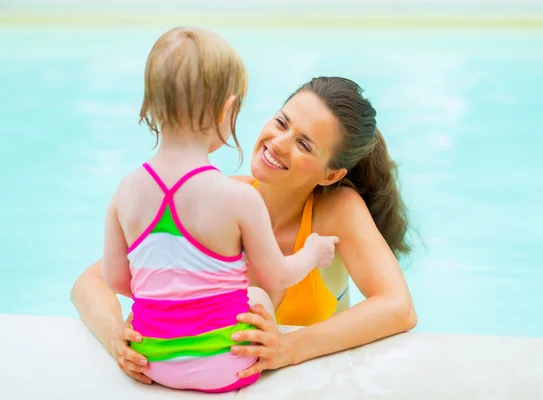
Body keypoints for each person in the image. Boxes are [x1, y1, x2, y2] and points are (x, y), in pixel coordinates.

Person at [71, 75, 418, 386]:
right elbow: (91, 281)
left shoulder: (336, 210)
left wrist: (289, 347)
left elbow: (398, 307)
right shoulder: (226, 197)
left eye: (304, 144)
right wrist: (116, 336)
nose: (279, 142)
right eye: (282, 122)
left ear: (329, 175)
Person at [99, 27, 338, 393]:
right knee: (256, 296)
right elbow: (276, 277)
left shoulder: (126, 191)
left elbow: (116, 279)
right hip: (227, 366)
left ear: (150, 105)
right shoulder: (238, 198)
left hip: (151, 360)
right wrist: (312, 253)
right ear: (227, 109)